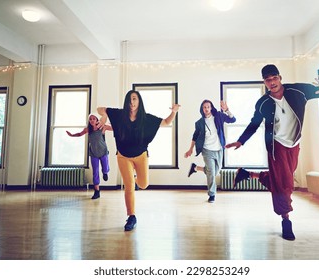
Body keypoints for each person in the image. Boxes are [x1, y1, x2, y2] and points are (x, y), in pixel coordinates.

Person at [225, 64, 319, 241]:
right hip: (276, 146)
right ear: (265, 83)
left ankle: (249, 173)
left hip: (294, 143)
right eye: (267, 80)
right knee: (286, 183)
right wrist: (241, 141)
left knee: (281, 179)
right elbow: (254, 124)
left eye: (274, 78)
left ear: (280, 77)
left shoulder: (299, 90)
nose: (272, 82)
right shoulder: (263, 103)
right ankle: (286, 219)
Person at [97, 90, 180, 231]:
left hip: (141, 155)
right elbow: (100, 109)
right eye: (129, 100)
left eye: (134, 99)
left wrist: (174, 112)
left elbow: (166, 122)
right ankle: (131, 216)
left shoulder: (146, 118)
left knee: (143, 184)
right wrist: (104, 116)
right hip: (123, 156)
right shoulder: (118, 114)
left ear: (139, 101)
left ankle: (134, 178)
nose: (132, 102)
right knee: (129, 187)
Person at [184, 100, 236, 203]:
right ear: (202, 109)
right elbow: (195, 136)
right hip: (207, 150)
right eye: (204, 107)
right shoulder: (199, 123)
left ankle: (195, 168)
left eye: (208, 106)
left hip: (219, 149)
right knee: (211, 173)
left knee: (215, 171)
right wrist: (190, 149)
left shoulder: (219, 116)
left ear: (211, 107)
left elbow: (233, 120)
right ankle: (212, 195)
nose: (206, 109)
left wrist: (227, 110)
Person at [66, 113, 112, 199]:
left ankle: (105, 173)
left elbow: (114, 128)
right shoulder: (88, 129)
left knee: (105, 168)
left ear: (97, 120)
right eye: (90, 119)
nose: (92, 120)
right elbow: (80, 134)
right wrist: (72, 135)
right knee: (95, 172)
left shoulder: (102, 127)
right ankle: (97, 191)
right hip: (93, 153)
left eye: (94, 119)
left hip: (103, 151)